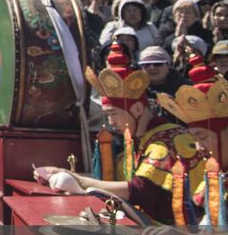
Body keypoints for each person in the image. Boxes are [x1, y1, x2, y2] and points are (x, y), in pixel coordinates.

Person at [54, 43, 209, 225]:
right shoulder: (139, 139)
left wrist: (80, 181)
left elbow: (139, 191)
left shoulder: (166, 140)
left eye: (113, 114)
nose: (110, 123)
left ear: (136, 108)